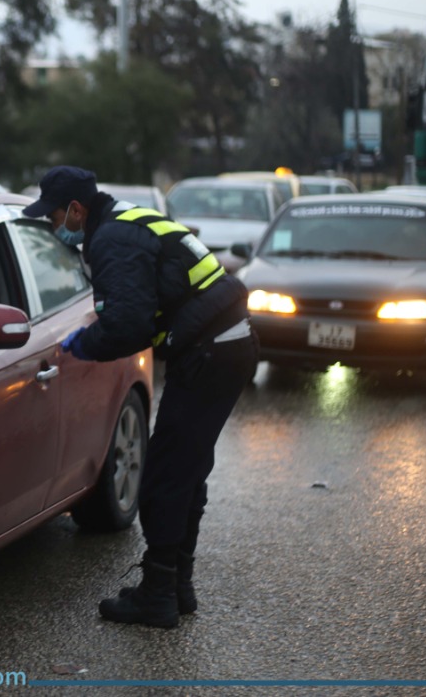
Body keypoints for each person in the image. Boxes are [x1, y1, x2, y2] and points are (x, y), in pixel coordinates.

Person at [23, 165, 258, 629]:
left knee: (165, 475)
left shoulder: (110, 239)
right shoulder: (127, 219)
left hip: (210, 352)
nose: (53, 227)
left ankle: (157, 596)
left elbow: (128, 326)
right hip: (228, 344)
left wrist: (85, 344)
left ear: (75, 210)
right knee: (186, 470)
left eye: (53, 217)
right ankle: (176, 585)